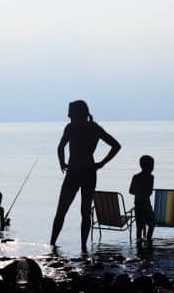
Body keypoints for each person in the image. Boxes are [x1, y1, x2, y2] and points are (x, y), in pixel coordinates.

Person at [50, 100, 121, 252]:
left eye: (70, 111)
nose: (68, 114)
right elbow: (116, 146)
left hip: (74, 172)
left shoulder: (71, 127)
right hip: (89, 172)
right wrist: (101, 163)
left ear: (76, 112)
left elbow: (60, 147)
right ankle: (83, 247)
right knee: (85, 211)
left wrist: (62, 163)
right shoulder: (94, 128)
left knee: (62, 210)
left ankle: (53, 244)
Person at [129, 155, 155, 244]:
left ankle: (139, 244)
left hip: (138, 204)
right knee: (151, 224)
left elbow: (131, 191)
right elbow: (149, 192)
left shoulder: (136, 177)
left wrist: (139, 191)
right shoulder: (151, 177)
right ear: (151, 166)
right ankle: (148, 240)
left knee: (139, 227)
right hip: (146, 204)